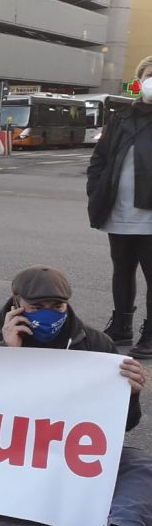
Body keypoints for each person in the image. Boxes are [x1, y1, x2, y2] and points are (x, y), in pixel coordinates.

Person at [0, 265, 152, 526]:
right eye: (36, 308)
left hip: (61, 447)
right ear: (15, 302)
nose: (48, 314)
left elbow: (122, 426)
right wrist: (5, 353)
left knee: (139, 465)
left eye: (56, 307)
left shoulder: (96, 344)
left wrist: (130, 394)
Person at [88, 54, 152, 358]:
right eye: (149, 75)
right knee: (122, 271)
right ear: (139, 81)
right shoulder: (121, 117)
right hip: (119, 211)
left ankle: (151, 335)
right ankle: (122, 325)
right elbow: (100, 158)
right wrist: (96, 190)